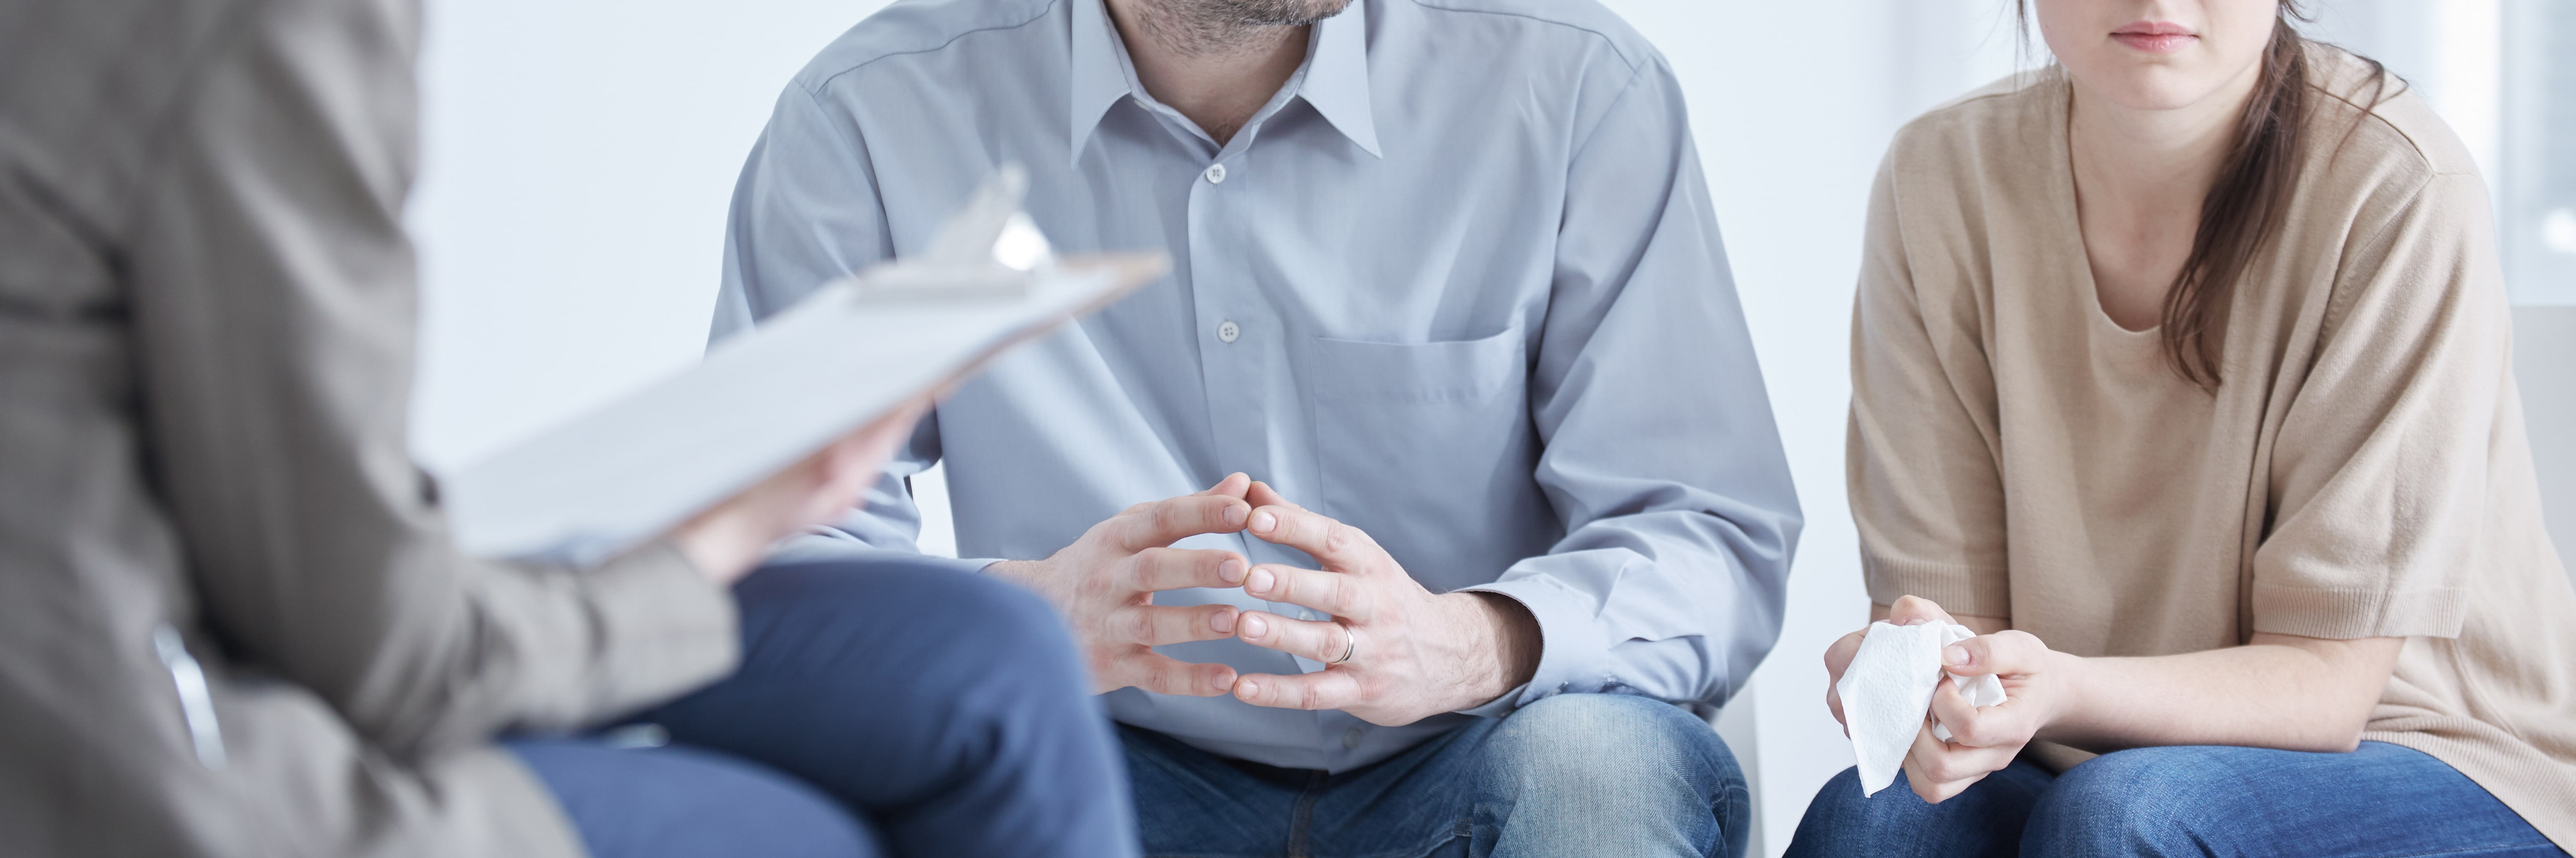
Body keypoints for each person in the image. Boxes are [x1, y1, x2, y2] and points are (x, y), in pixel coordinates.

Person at [0, 0, 1138, 856]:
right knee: (802, 839)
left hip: (257, 595)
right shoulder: (261, 28)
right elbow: (381, 655)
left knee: (993, 661)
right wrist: (712, 543)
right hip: (160, 735)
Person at [714, 0, 1800, 854]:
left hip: (1483, 749)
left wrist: (1469, 643)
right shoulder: (869, 116)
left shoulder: (1574, 87)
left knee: (1598, 771)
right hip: (1100, 762)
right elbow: (765, 568)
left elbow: (1707, 532)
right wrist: (1025, 623)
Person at [1787, 0, 2576, 855]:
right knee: (1872, 823)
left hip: (2426, 750)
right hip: (2075, 745)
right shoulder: (1938, 177)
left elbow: (2325, 685)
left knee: (2126, 815)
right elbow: (1955, 627)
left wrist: (2058, 691)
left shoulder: (2397, 188)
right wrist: (1919, 677)